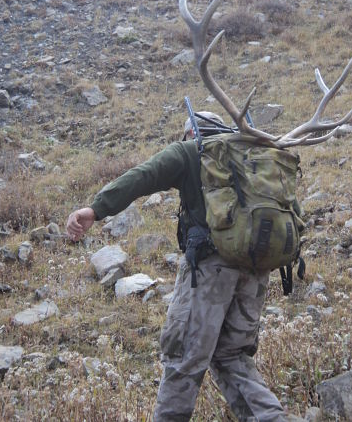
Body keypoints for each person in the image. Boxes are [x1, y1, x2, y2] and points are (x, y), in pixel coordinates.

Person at [66, 112, 302, 422]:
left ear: (191, 132)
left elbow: (144, 175)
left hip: (209, 272)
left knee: (182, 359)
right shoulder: (254, 161)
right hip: (257, 274)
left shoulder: (192, 151)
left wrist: (96, 208)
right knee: (232, 357)